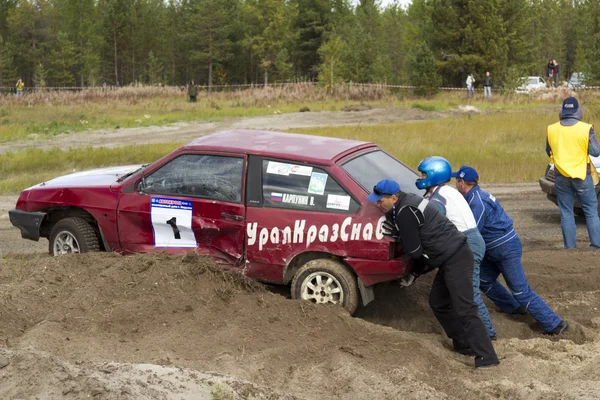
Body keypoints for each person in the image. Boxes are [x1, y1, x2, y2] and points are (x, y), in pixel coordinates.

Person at [368, 179, 499, 368]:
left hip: (456, 257)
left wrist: (403, 245)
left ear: (394, 197)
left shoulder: (405, 211)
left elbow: (414, 251)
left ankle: (487, 357)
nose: (377, 204)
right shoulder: (406, 202)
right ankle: (464, 345)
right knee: (438, 302)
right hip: (452, 256)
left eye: (380, 201)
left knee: (465, 307)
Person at [452, 166, 569, 335]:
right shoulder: (477, 196)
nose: (455, 184)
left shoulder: (477, 202)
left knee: (521, 290)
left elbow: (473, 232)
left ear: (462, 182)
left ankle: (555, 324)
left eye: (457, 180)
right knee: (483, 279)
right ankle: (513, 307)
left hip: (504, 249)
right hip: (497, 248)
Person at [416, 156, 497, 340]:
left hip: (466, 243)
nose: (420, 177)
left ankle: (488, 336)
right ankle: (469, 334)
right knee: (450, 295)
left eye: (423, 174)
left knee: (470, 293)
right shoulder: (446, 191)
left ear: (434, 175)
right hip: (467, 241)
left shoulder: (438, 199)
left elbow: (431, 227)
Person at [546, 96, 600, 248]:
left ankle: (570, 248)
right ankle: (596, 246)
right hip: (582, 175)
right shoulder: (585, 128)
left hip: (561, 176)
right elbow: (596, 152)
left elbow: (548, 150)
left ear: (562, 112)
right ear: (578, 112)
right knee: (590, 210)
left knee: (566, 212)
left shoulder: (551, 129)